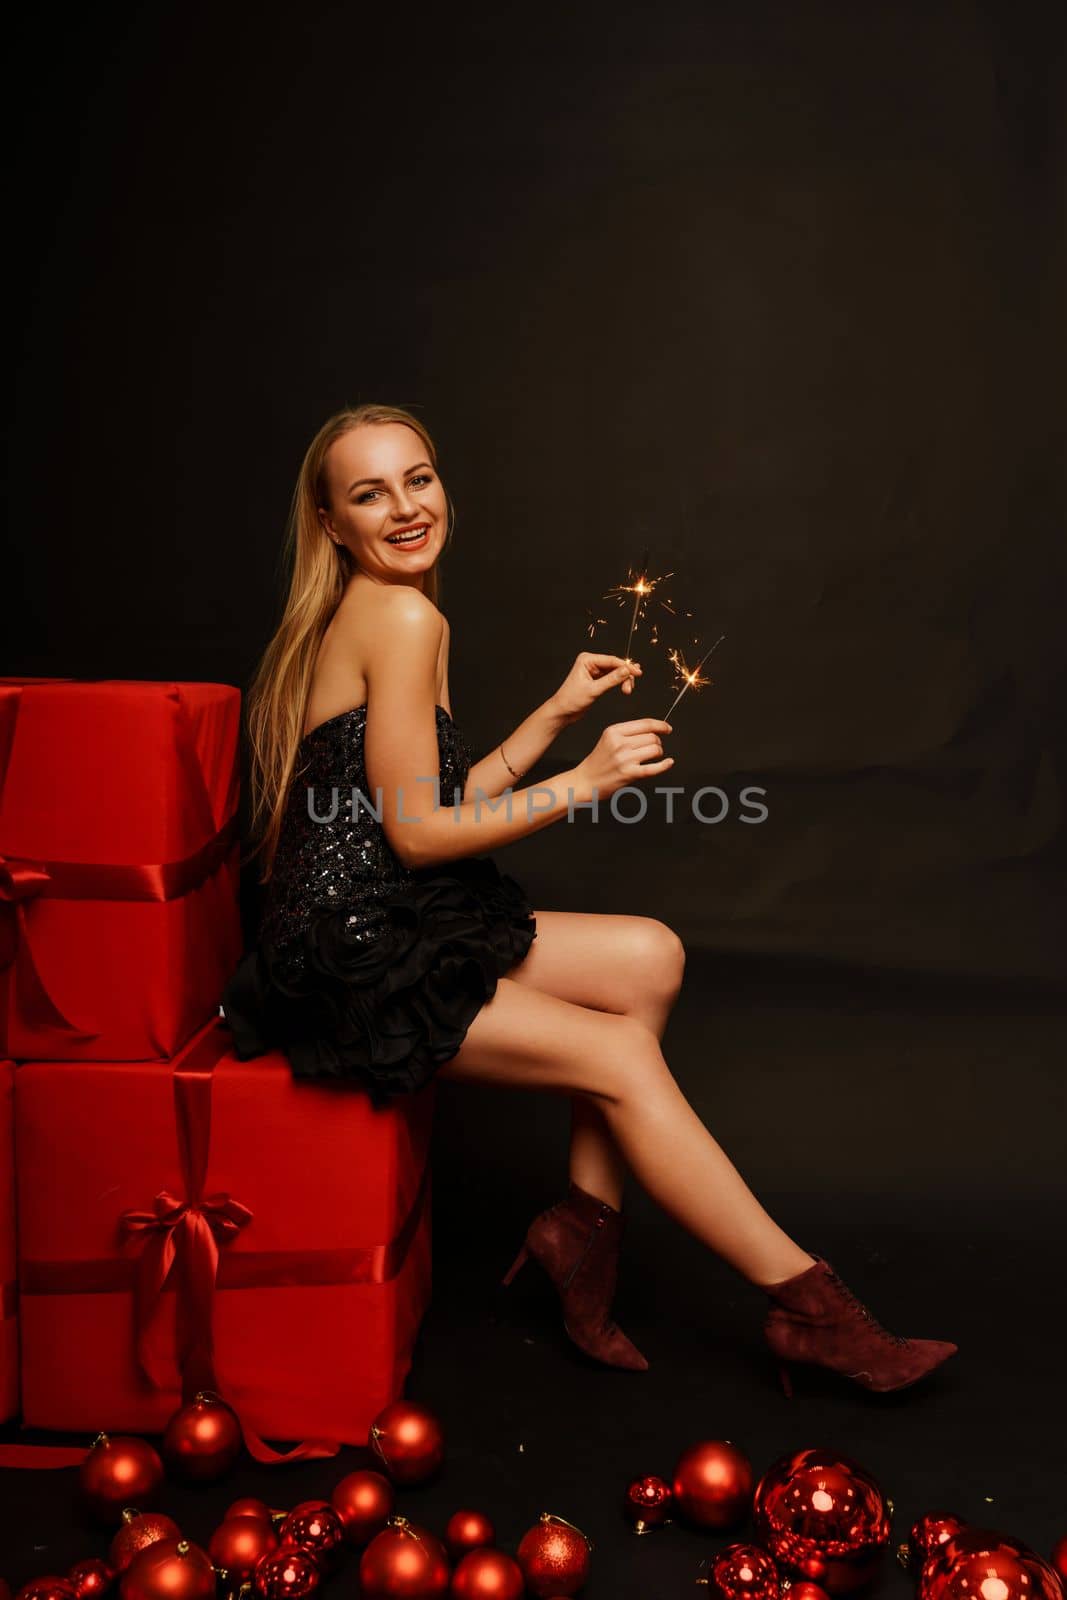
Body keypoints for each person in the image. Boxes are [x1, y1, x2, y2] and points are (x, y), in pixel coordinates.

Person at [222, 402, 958, 1397]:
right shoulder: (400, 614)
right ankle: (812, 1310)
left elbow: (424, 799)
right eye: (370, 493)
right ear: (329, 521)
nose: (405, 508)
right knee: (615, 1050)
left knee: (647, 953)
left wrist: (553, 716)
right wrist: (587, 780)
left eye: (419, 478)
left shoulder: (380, 610)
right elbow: (420, 835)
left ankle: (579, 1230)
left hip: (375, 911)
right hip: (348, 951)